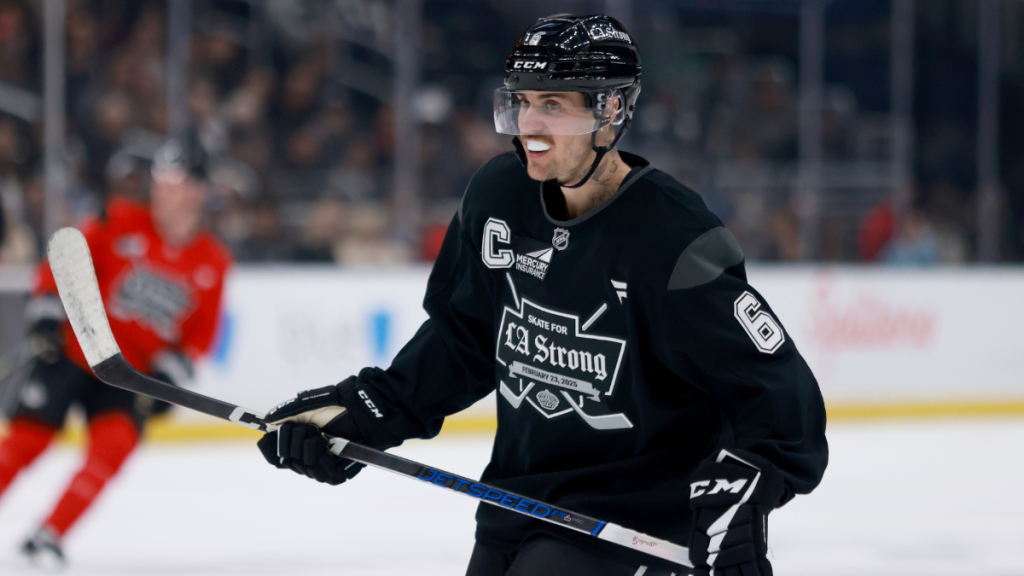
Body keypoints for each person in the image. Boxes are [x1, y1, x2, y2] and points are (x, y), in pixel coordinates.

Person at [257, 15, 828, 576]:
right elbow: (465, 339)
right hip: (515, 504)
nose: (526, 123)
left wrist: (746, 485)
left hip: (629, 525)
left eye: (552, 105)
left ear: (610, 111)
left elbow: (780, 397)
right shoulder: (499, 196)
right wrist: (374, 409)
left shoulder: (672, 238)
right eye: (522, 101)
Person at [0, 139, 231, 567]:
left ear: (198, 190)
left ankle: (49, 535)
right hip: (72, 351)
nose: (162, 191)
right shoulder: (121, 221)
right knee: (26, 442)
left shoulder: (212, 262)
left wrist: (169, 378)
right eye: (160, 182)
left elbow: (200, 337)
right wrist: (48, 311)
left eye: (175, 183)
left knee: (115, 445)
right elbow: (64, 257)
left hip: (126, 374)